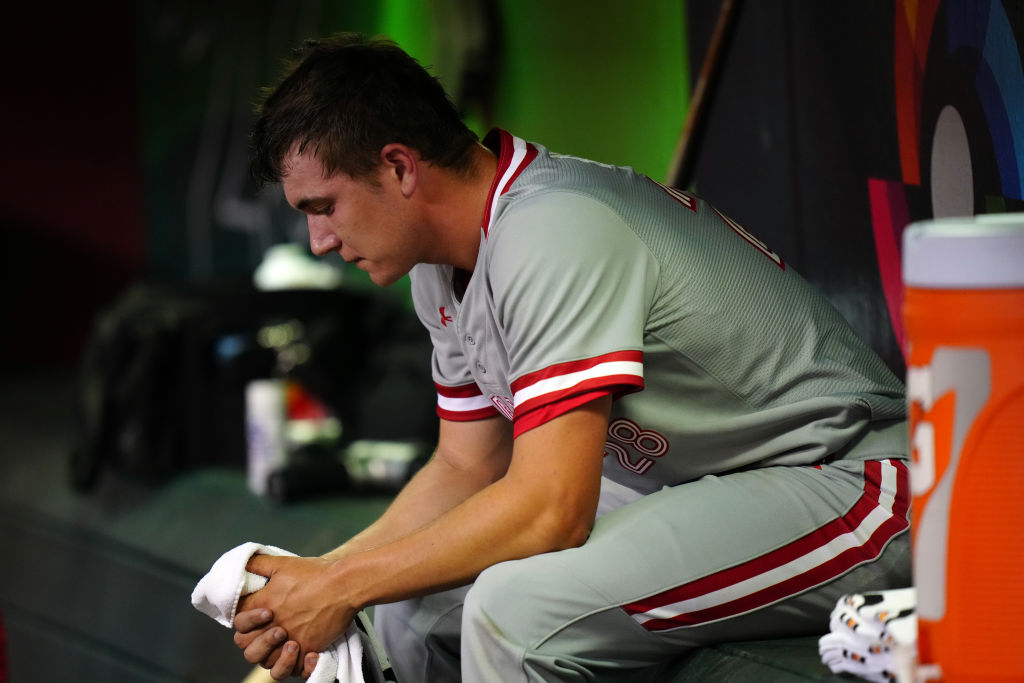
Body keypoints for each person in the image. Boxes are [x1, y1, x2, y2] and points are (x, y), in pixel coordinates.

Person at [231, 33, 911, 682]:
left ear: (399, 166)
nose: (318, 239)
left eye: (323, 207)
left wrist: (343, 584)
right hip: (709, 480)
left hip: (854, 480)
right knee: (409, 603)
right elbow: (467, 466)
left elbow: (552, 508)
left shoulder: (551, 225)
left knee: (514, 613)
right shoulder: (441, 266)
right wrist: (325, 578)